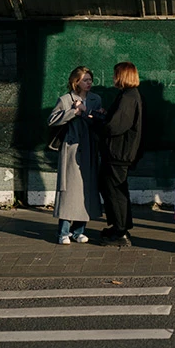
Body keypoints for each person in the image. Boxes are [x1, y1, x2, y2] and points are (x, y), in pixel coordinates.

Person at [47, 66, 103, 244]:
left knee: (86, 189)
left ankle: (79, 230)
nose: (89, 83)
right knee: (69, 191)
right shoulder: (65, 99)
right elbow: (52, 120)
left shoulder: (95, 99)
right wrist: (74, 112)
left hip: (89, 148)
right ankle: (63, 232)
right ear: (76, 82)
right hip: (71, 150)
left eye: (90, 79)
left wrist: (93, 113)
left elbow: (99, 122)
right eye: (85, 80)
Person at [92, 61, 142, 246]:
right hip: (118, 153)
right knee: (113, 188)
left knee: (114, 191)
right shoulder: (128, 95)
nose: (113, 77)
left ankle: (120, 233)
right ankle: (119, 227)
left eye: (115, 74)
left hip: (118, 153)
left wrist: (95, 120)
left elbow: (115, 126)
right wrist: (104, 116)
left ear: (122, 76)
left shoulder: (128, 97)